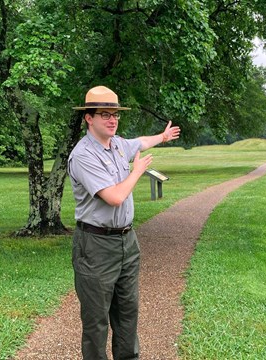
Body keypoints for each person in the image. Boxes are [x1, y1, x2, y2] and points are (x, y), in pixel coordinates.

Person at [68, 85, 180, 360]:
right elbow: (116, 197)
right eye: (104, 114)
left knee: (128, 312)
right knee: (96, 322)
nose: (112, 119)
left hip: (127, 242)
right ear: (88, 118)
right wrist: (137, 171)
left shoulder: (117, 144)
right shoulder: (83, 156)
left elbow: (139, 142)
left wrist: (163, 137)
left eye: (115, 114)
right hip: (95, 245)